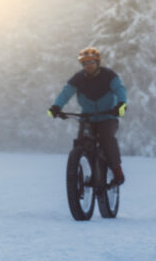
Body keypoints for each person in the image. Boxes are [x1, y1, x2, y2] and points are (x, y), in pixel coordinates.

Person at [48, 46, 128, 186]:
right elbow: (66, 93)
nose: (88, 65)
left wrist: (121, 104)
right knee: (82, 144)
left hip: (108, 117)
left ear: (97, 62)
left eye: (91, 62)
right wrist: (56, 107)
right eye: (85, 63)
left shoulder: (108, 75)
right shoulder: (78, 79)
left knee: (106, 138)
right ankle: (85, 174)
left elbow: (120, 89)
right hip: (88, 118)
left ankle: (117, 171)